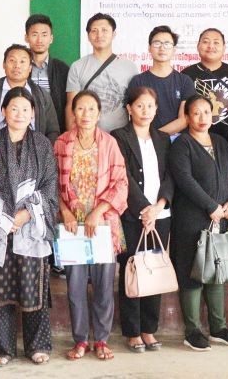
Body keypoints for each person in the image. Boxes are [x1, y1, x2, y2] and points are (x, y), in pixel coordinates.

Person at [0, 44, 60, 288]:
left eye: (23, 61)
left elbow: (52, 129)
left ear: (30, 67)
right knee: (0, 265)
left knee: (31, 272)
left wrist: (41, 158)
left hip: (33, 178)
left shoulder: (41, 95)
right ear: (4, 64)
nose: (17, 65)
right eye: (12, 60)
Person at [0, 87, 58, 366]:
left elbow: (50, 185)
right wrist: (1, 216)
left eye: (25, 109)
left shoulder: (41, 144)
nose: (19, 114)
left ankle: (37, 345)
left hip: (31, 226)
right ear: (4, 111)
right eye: (13, 108)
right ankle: (2, 347)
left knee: (32, 285)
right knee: (1, 288)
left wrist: (27, 214)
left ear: (33, 114)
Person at [54, 90, 128, 361]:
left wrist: (98, 212)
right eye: (80, 109)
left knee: (103, 287)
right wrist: (66, 213)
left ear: (99, 113)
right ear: (73, 113)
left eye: (91, 109)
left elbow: (121, 183)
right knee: (74, 288)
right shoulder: (62, 143)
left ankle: (102, 340)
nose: (85, 114)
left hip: (103, 225)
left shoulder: (109, 143)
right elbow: (53, 186)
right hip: (73, 227)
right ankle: (81, 340)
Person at [168, 94, 228, 352]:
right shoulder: (181, 145)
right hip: (191, 220)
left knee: (216, 272)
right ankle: (192, 331)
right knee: (192, 272)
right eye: (196, 113)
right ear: (187, 117)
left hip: (221, 219)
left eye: (206, 112)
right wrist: (210, 206)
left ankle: (218, 328)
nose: (202, 118)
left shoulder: (221, 142)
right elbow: (184, 180)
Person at [111, 87, 173, 353]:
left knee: (154, 268)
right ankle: (132, 331)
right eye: (139, 106)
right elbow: (121, 175)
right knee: (132, 268)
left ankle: (149, 330)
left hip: (160, 216)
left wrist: (158, 207)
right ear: (129, 108)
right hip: (132, 215)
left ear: (156, 109)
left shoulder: (162, 138)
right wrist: (144, 209)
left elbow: (171, 176)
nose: (145, 111)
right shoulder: (119, 137)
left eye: (150, 106)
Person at [65, 13, 138, 132]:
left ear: (113, 34)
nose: (99, 35)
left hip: (120, 138)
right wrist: (72, 138)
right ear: (88, 36)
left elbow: (136, 106)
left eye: (104, 30)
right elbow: (71, 106)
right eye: (94, 31)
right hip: (87, 137)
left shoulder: (130, 68)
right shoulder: (77, 67)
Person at [181, 28, 228, 142]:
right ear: (198, 46)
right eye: (206, 42)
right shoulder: (186, 75)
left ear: (224, 47)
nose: (211, 46)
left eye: (216, 42)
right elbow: (182, 115)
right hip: (194, 143)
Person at [127, 26, 194, 134]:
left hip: (177, 141)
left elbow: (183, 120)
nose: (162, 48)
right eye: (157, 43)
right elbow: (133, 116)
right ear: (149, 48)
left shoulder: (184, 81)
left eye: (167, 44)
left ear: (174, 50)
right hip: (144, 140)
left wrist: (156, 138)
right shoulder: (138, 81)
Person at [25, 14, 70, 131]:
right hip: (24, 129)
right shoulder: (21, 67)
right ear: (26, 38)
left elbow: (67, 105)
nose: (39, 40)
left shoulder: (62, 69)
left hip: (54, 130)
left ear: (51, 38)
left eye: (44, 35)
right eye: (35, 34)